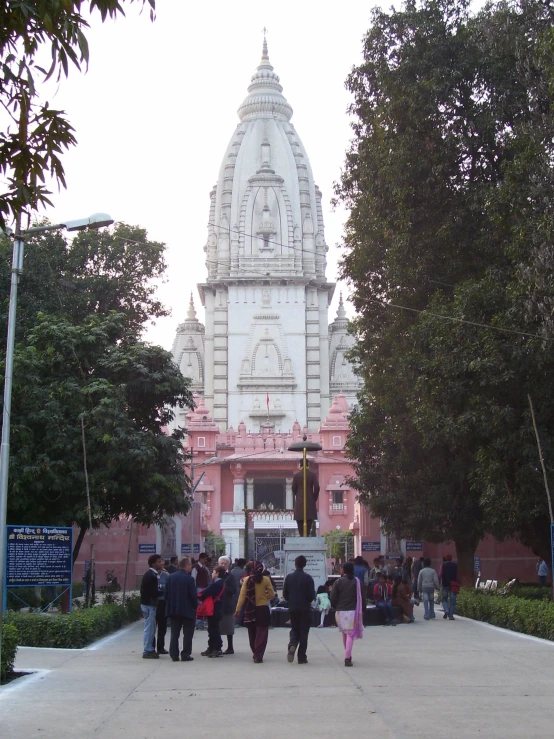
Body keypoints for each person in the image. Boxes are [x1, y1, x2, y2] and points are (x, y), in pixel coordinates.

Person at [235, 561, 275, 663]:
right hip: (262, 609)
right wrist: (263, 596)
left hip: (250, 609)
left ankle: (255, 652)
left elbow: (242, 596)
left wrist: (237, 610)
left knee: (252, 633)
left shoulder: (247, 580)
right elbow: (272, 595)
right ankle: (259, 654)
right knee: (261, 633)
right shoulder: (266, 579)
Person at [330, 561, 365, 667]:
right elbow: (362, 596)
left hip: (340, 612)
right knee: (350, 634)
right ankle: (347, 657)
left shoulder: (338, 582)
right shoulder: (357, 582)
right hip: (352, 612)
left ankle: (348, 654)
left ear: (343, 570)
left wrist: (336, 607)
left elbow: (333, 597)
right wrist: (363, 609)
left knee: (345, 633)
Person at [283, 555, 316, 664]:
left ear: (295, 564)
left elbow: (285, 594)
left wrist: (291, 601)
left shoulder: (289, 577)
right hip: (305, 608)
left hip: (293, 608)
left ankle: (292, 644)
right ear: (305, 565)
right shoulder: (308, 578)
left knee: (294, 628)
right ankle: (301, 657)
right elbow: (312, 595)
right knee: (304, 632)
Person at [165, 557, 198, 662]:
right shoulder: (189, 579)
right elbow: (193, 595)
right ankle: (185, 654)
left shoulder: (171, 577)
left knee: (174, 633)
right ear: (186, 565)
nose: (191, 568)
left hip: (174, 610)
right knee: (188, 634)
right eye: (190, 566)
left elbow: (166, 594)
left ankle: (174, 654)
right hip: (187, 610)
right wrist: (195, 606)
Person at [198, 565, 226, 657]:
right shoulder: (219, 583)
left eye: (213, 572)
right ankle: (211, 647)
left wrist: (203, 594)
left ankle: (216, 648)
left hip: (214, 609)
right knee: (212, 628)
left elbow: (205, 593)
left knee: (213, 629)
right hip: (216, 608)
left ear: (217, 574)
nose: (212, 574)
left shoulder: (217, 584)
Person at [140, 553, 163, 659]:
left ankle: (149, 648)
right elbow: (153, 592)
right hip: (149, 605)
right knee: (149, 628)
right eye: (159, 562)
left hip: (147, 604)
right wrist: (162, 591)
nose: (161, 563)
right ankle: (147, 650)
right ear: (153, 564)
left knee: (151, 628)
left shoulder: (151, 574)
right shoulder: (152, 576)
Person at [291, 460, 320, 536]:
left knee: (300, 527)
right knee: (308, 525)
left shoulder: (296, 476)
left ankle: (302, 538)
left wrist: (298, 495)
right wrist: (314, 498)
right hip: (310, 503)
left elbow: (293, 488)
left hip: (300, 503)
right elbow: (317, 487)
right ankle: (306, 536)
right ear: (308, 465)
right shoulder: (312, 475)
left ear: (300, 465)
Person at [218, 556, 237, 654]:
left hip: (227, 604)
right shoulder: (215, 575)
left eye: (225, 563)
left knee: (229, 627)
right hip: (217, 604)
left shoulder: (230, 576)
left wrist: (224, 587)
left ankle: (230, 647)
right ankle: (218, 646)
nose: (223, 565)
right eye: (221, 563)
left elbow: (234, 590)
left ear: (228, 565)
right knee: (217, 627)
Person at [153, 563, 170, 654]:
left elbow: (168, 588)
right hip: (154, 603)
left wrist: (161, 588)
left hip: (163, 602)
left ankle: (160, 647)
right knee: (152, 626)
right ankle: (152, 647)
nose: (161, 567)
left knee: (162, 626)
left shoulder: (166, 575)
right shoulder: (152, 575)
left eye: (162, 565)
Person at [192, 552, 210, 629]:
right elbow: (193, 578)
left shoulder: (203, 567)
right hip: (199, 587)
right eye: (205, 559)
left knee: (202, 605)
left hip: (203, 587)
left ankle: (201, 622)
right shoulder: (196, 567)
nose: (205, 561)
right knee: (200, 605)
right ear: (201, 559)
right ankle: (199, 623)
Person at [441, 553, 459, 620]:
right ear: (451, 558)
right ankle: (451, 615)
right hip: (453, 584)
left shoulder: (443, 565)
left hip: (445, 584)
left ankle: (446, 610)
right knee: (452, 600)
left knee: (444, 598)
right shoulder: (455, 565)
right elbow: (457, 575)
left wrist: (439, 582)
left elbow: (440, 574)